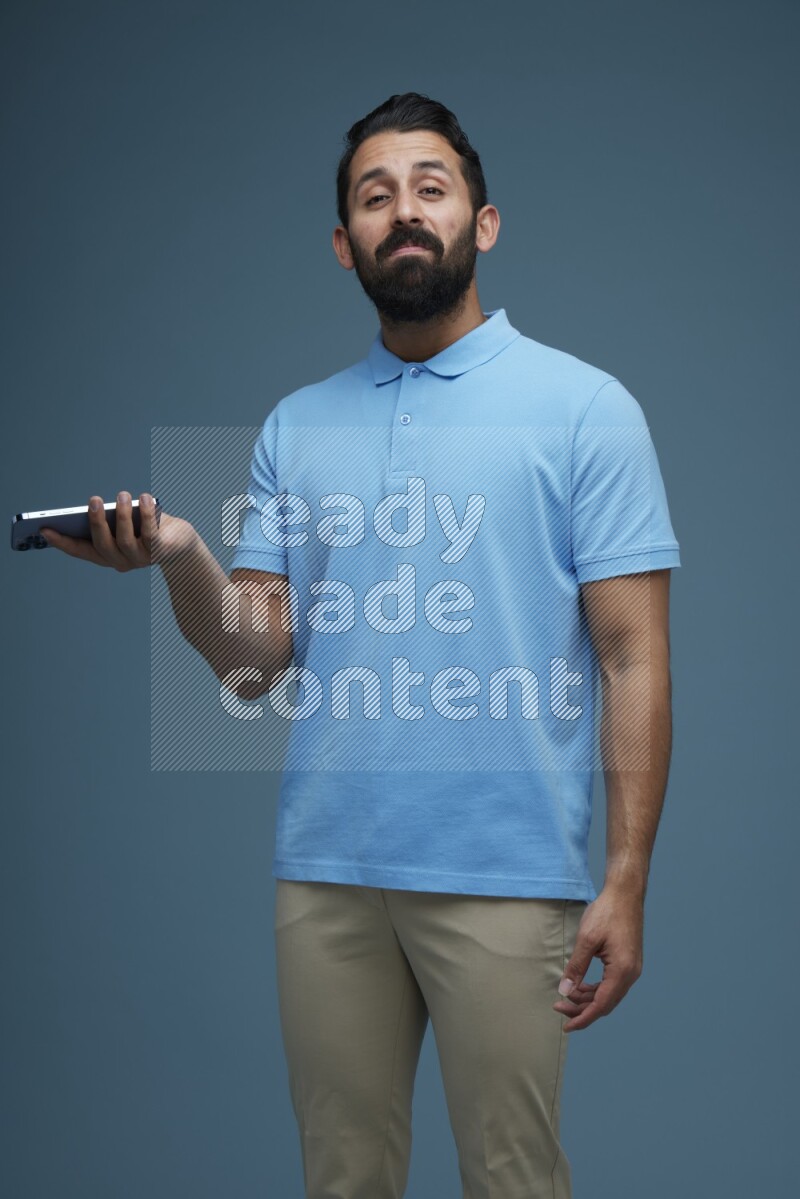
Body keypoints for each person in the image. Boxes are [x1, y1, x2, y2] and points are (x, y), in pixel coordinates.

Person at [41, 92, 680, 1199]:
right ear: (345, 247)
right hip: (327, 873)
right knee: (340, 1180)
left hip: (506, 872)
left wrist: (622, 881)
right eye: (374, 196)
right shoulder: (298, 424)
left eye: (430, 186)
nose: (404, 212)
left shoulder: (587, 409)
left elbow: (634, 658)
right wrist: (182, 550)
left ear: (482, 221)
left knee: (514, 1180)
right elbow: (249, 661)